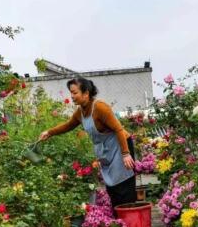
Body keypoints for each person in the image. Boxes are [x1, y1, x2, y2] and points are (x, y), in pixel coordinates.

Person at [39, 77, 137, 208]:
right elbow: (68, 125)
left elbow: (118, 129)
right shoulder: (81, 111)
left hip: (121, 146)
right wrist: (49, 132)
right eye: (71, 93)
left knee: (123, 186)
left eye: (75, 93)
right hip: (106, 151)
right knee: (112, 188)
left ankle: (131, 220)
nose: (72, 96)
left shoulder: (100, 107)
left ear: (86, 93)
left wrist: (126, 154)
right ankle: (119, 222)